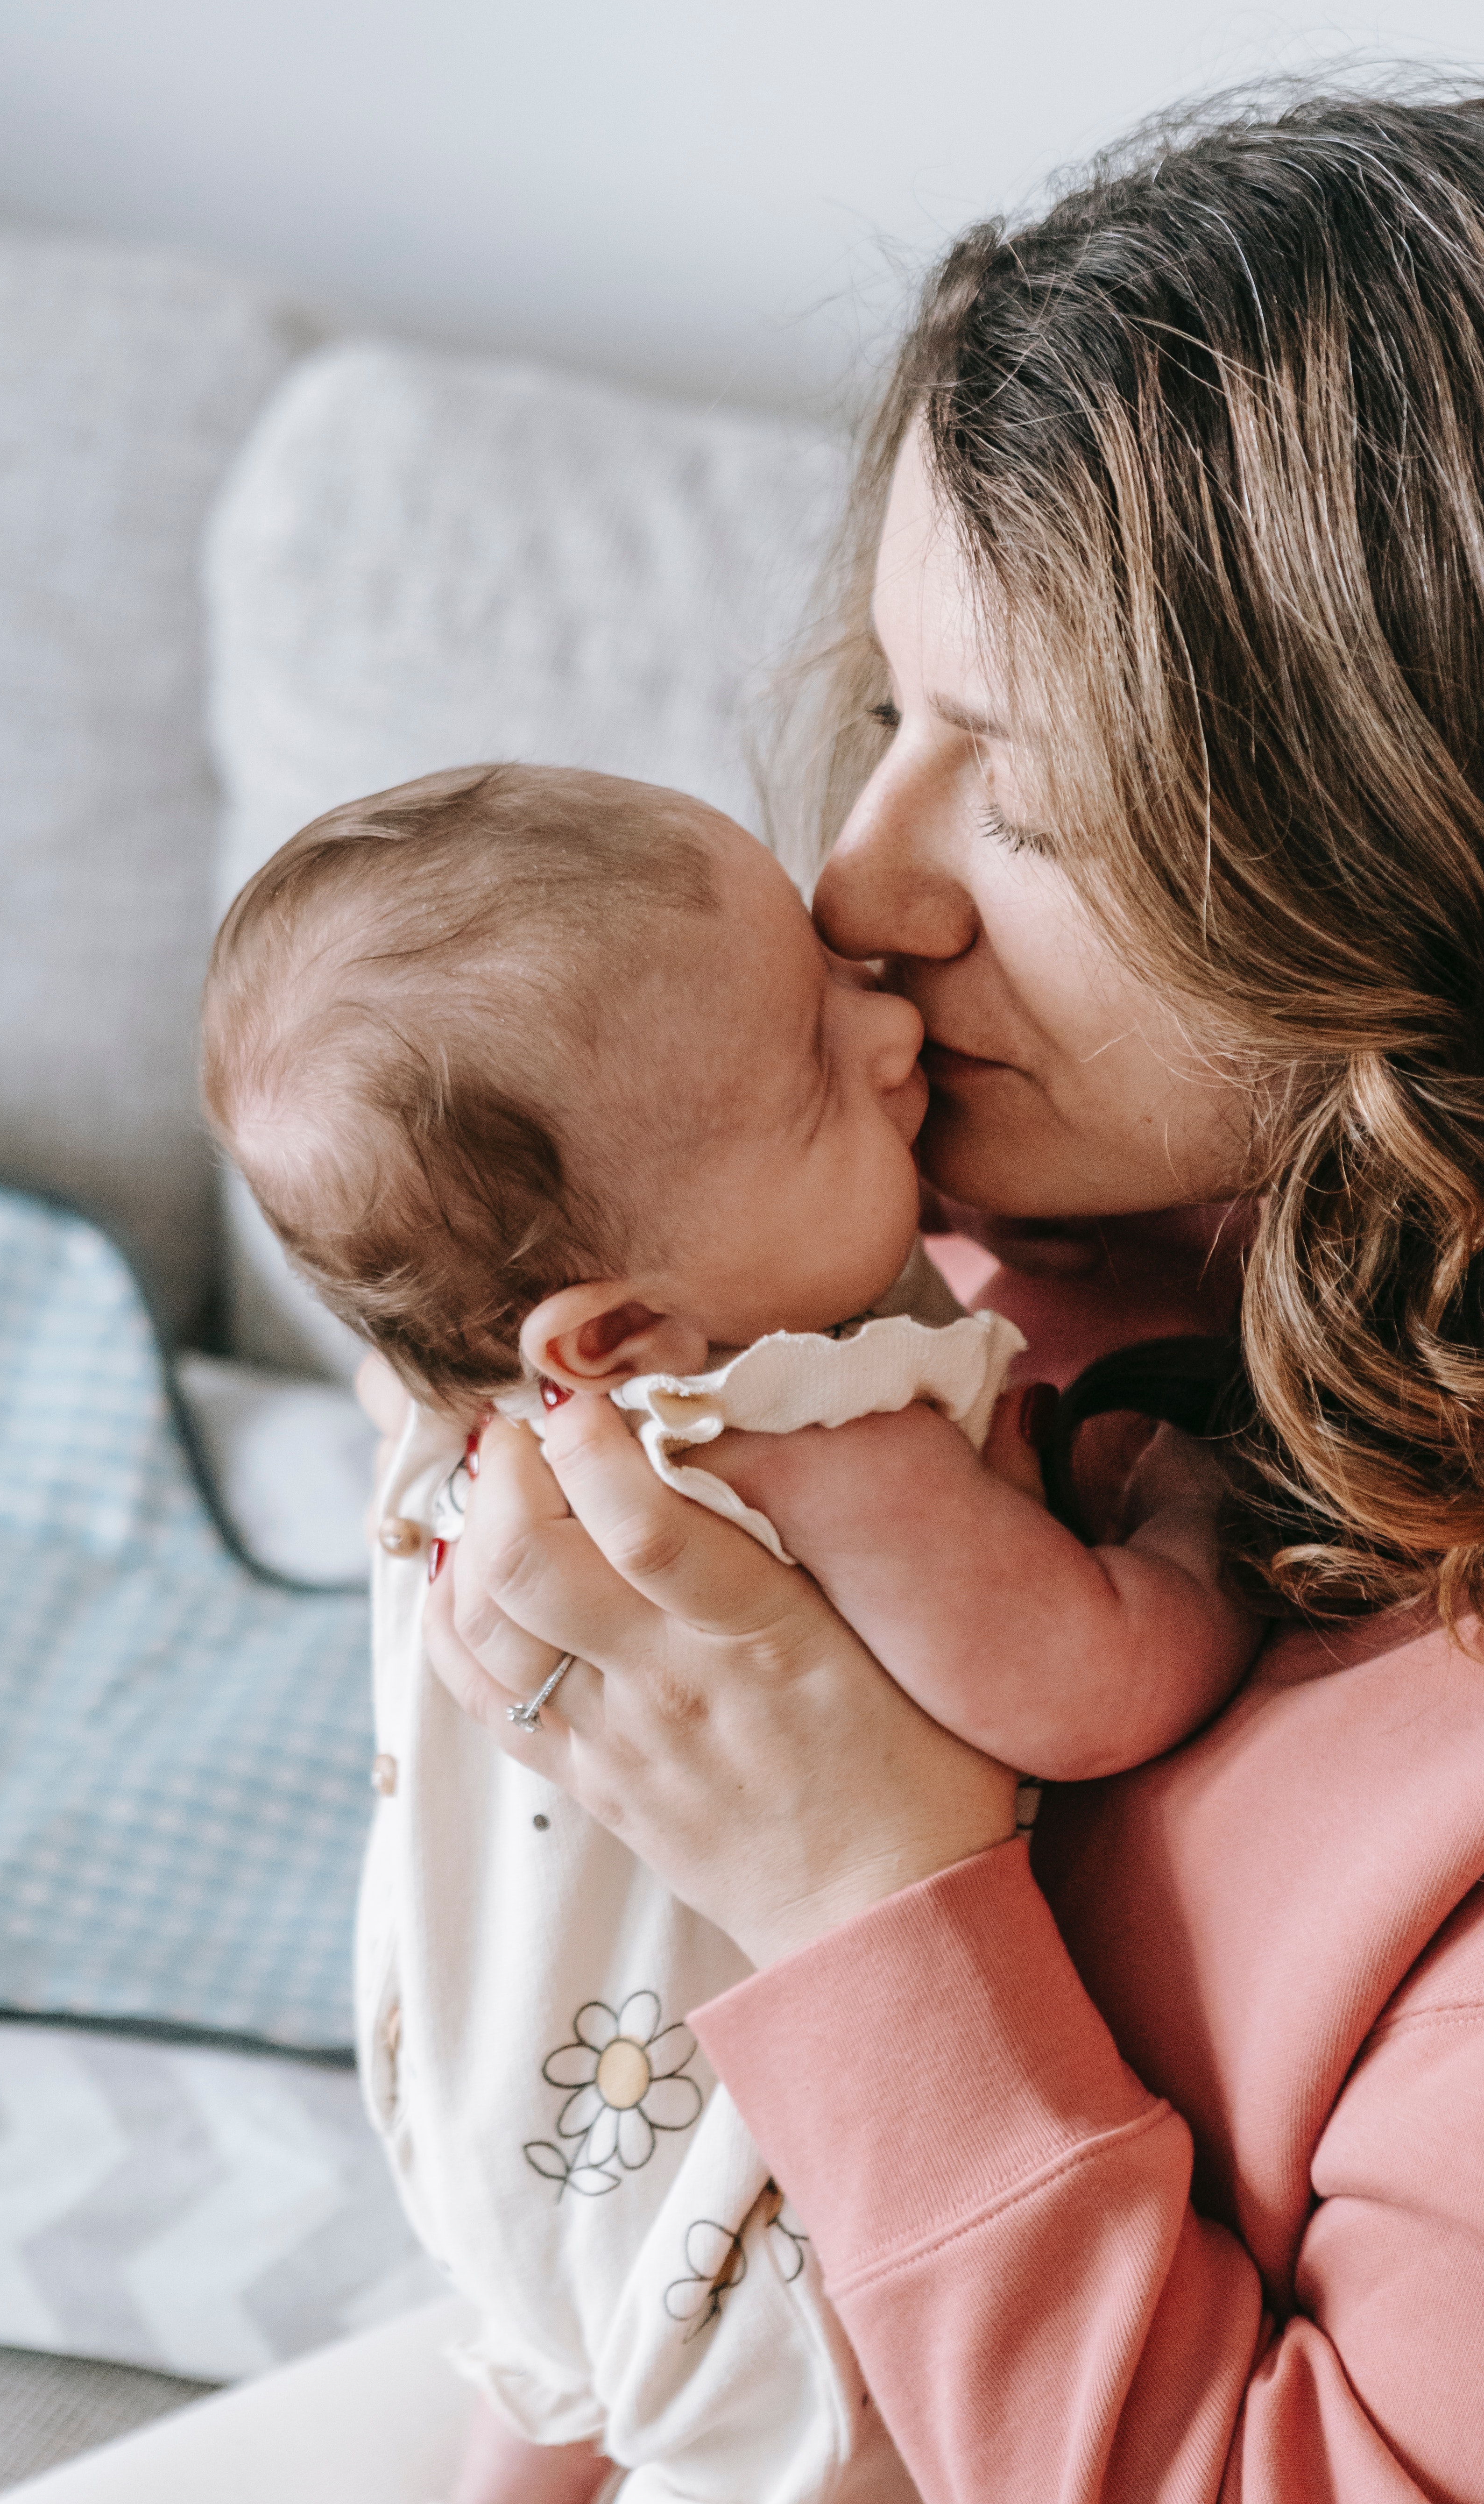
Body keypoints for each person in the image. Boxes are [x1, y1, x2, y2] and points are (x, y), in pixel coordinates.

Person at [409, 90, 1484, 2502]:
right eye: (901, 711)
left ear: (1434, 855)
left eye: (1024, 796)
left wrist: (860, 1878)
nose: (861, 880)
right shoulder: (1010, 1252)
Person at [198, 761, 1257, 2504]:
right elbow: (1088, 1687)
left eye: (821, 970)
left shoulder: (469, 1415)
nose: (892, 1029)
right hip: (747, 2194)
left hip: (502, 2118)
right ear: (616, 1333)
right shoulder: (810, 1433)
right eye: (815, 1083)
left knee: (557, 2370)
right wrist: (1192, 1514)